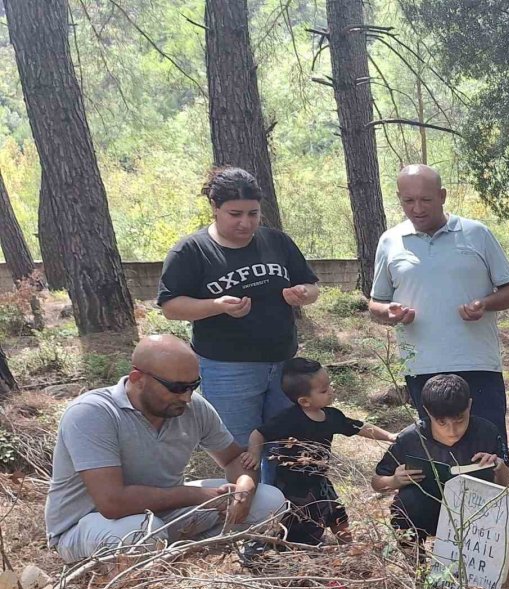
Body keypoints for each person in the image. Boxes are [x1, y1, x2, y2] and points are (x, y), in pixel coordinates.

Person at [45, 336, 285, 564]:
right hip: (89, 526)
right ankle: (145, 564)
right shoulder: (93, 413)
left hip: (163, 514)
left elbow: (234, 458)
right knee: (140, 533)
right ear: (138, 378)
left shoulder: (192, 407)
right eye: (177, 387)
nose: (188, 397)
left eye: (194, 385)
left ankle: (173, 559)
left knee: (270, 501)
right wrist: (205, 497)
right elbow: (112, 503)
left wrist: (244, 490)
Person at [157, 166, 320, 478]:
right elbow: (171, 306)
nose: (245, 223)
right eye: (235, 214)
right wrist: (216, 305)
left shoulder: (277, 242)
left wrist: (304, 294)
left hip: (284, 363)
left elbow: (311, 285)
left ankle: (288, 514)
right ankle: (251, 516)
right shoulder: (192, 250)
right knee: (241, 453)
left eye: (253, 214)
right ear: (215, 208)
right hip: (227, 369)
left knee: (289, 444)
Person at [368, 164, 509, 458]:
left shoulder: (476, 234)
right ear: (399, 198)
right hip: (422, 368)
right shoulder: (390, 241)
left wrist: (485, 303)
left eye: (426, 200)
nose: (417, 208)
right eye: (408, 201)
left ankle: (506, 505)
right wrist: (389, 312)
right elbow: (376, 302)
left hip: (477, 364)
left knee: (489, 451)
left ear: (442, 196)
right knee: (438, 454)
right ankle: (442, 506)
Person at [240, 358, 396, 545]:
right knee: (299, 525)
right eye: (323, 390)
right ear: (304, 401)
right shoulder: (288, 419)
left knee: (337, 513)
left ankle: (349, 546)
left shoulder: (332, 416)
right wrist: (254, 453)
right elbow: (258, 433)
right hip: (292, 486)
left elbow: (360, 427)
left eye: (329, 385)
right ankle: (294, 549)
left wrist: (389, 436)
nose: (331, 391)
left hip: (320, 479)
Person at [372, 374, 509, 544]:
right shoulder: (410, 438)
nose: (452, 431)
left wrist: (499, 467)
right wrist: (395, 480)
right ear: (427, 411)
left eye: (460, 420)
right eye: (441, 423)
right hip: (427, 512)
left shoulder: (487, 432)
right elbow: (377, 483)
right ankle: (416, 562)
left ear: (469, 405)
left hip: (475, 515)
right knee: (406, 501)